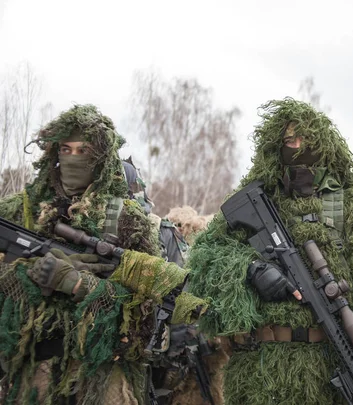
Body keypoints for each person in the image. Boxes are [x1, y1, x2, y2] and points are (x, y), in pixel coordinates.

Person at [187, 98, 353, 405]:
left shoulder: (347, 202)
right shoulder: (258, 197)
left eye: (304, 139)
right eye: (288, 140)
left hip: (330, 364)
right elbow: (207, 258)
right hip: (261, 370)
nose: (296, 147)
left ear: (322, 142)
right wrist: (251, 269)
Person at [0, 104, 206, 404]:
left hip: (103, 378)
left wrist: (78, 284)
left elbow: (145, 321)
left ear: (100, 158)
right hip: (36, 375)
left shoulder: (126, 220)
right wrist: (25, 275)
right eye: (66, 149)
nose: (72, 159)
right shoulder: (24, 212)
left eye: (83, 151)